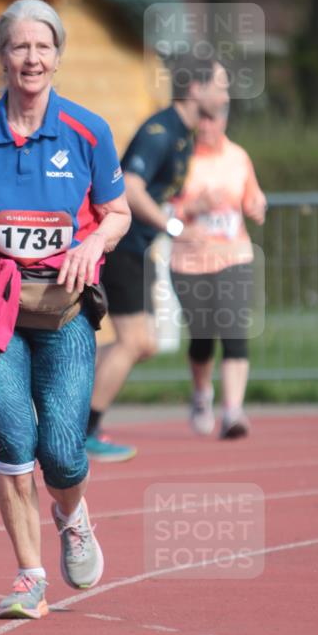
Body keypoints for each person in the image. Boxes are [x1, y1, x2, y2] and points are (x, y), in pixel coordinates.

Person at [0, 0, 131, 620]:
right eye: (19, 46)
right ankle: (28, 576)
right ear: (1, 54)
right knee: (13, 438)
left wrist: (94, 241)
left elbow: (119, 212)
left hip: (65, 308)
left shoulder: (88, 131)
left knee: (64, 451)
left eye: (42, 47)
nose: (32, 58)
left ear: (58, 55)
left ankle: (72, 514)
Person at [85, 54, 231, 461]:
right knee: (135, 342)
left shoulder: (184, 134)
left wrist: (190, 211)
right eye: (220, 84)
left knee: (143, 344)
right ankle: (83, 430)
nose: (226, 93)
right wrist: (175, 228)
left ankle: (65, 384)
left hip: (139, 249)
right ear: (196, 88)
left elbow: (159, 196)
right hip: (120, 246)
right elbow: (130, 187)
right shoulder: (160, 131)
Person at [169, 105, 266, 438]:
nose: (208, 124)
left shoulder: (238, 156)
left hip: (234, 257)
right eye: (203, 117)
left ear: (225, 119)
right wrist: (193, 207)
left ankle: (233, 411)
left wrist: (256, 206)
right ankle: (201, 395)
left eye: (215, 117)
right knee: (202, 338)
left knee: (234, 330)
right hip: (189, 262)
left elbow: (254, 197)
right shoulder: (181, 158)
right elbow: (162, 208)